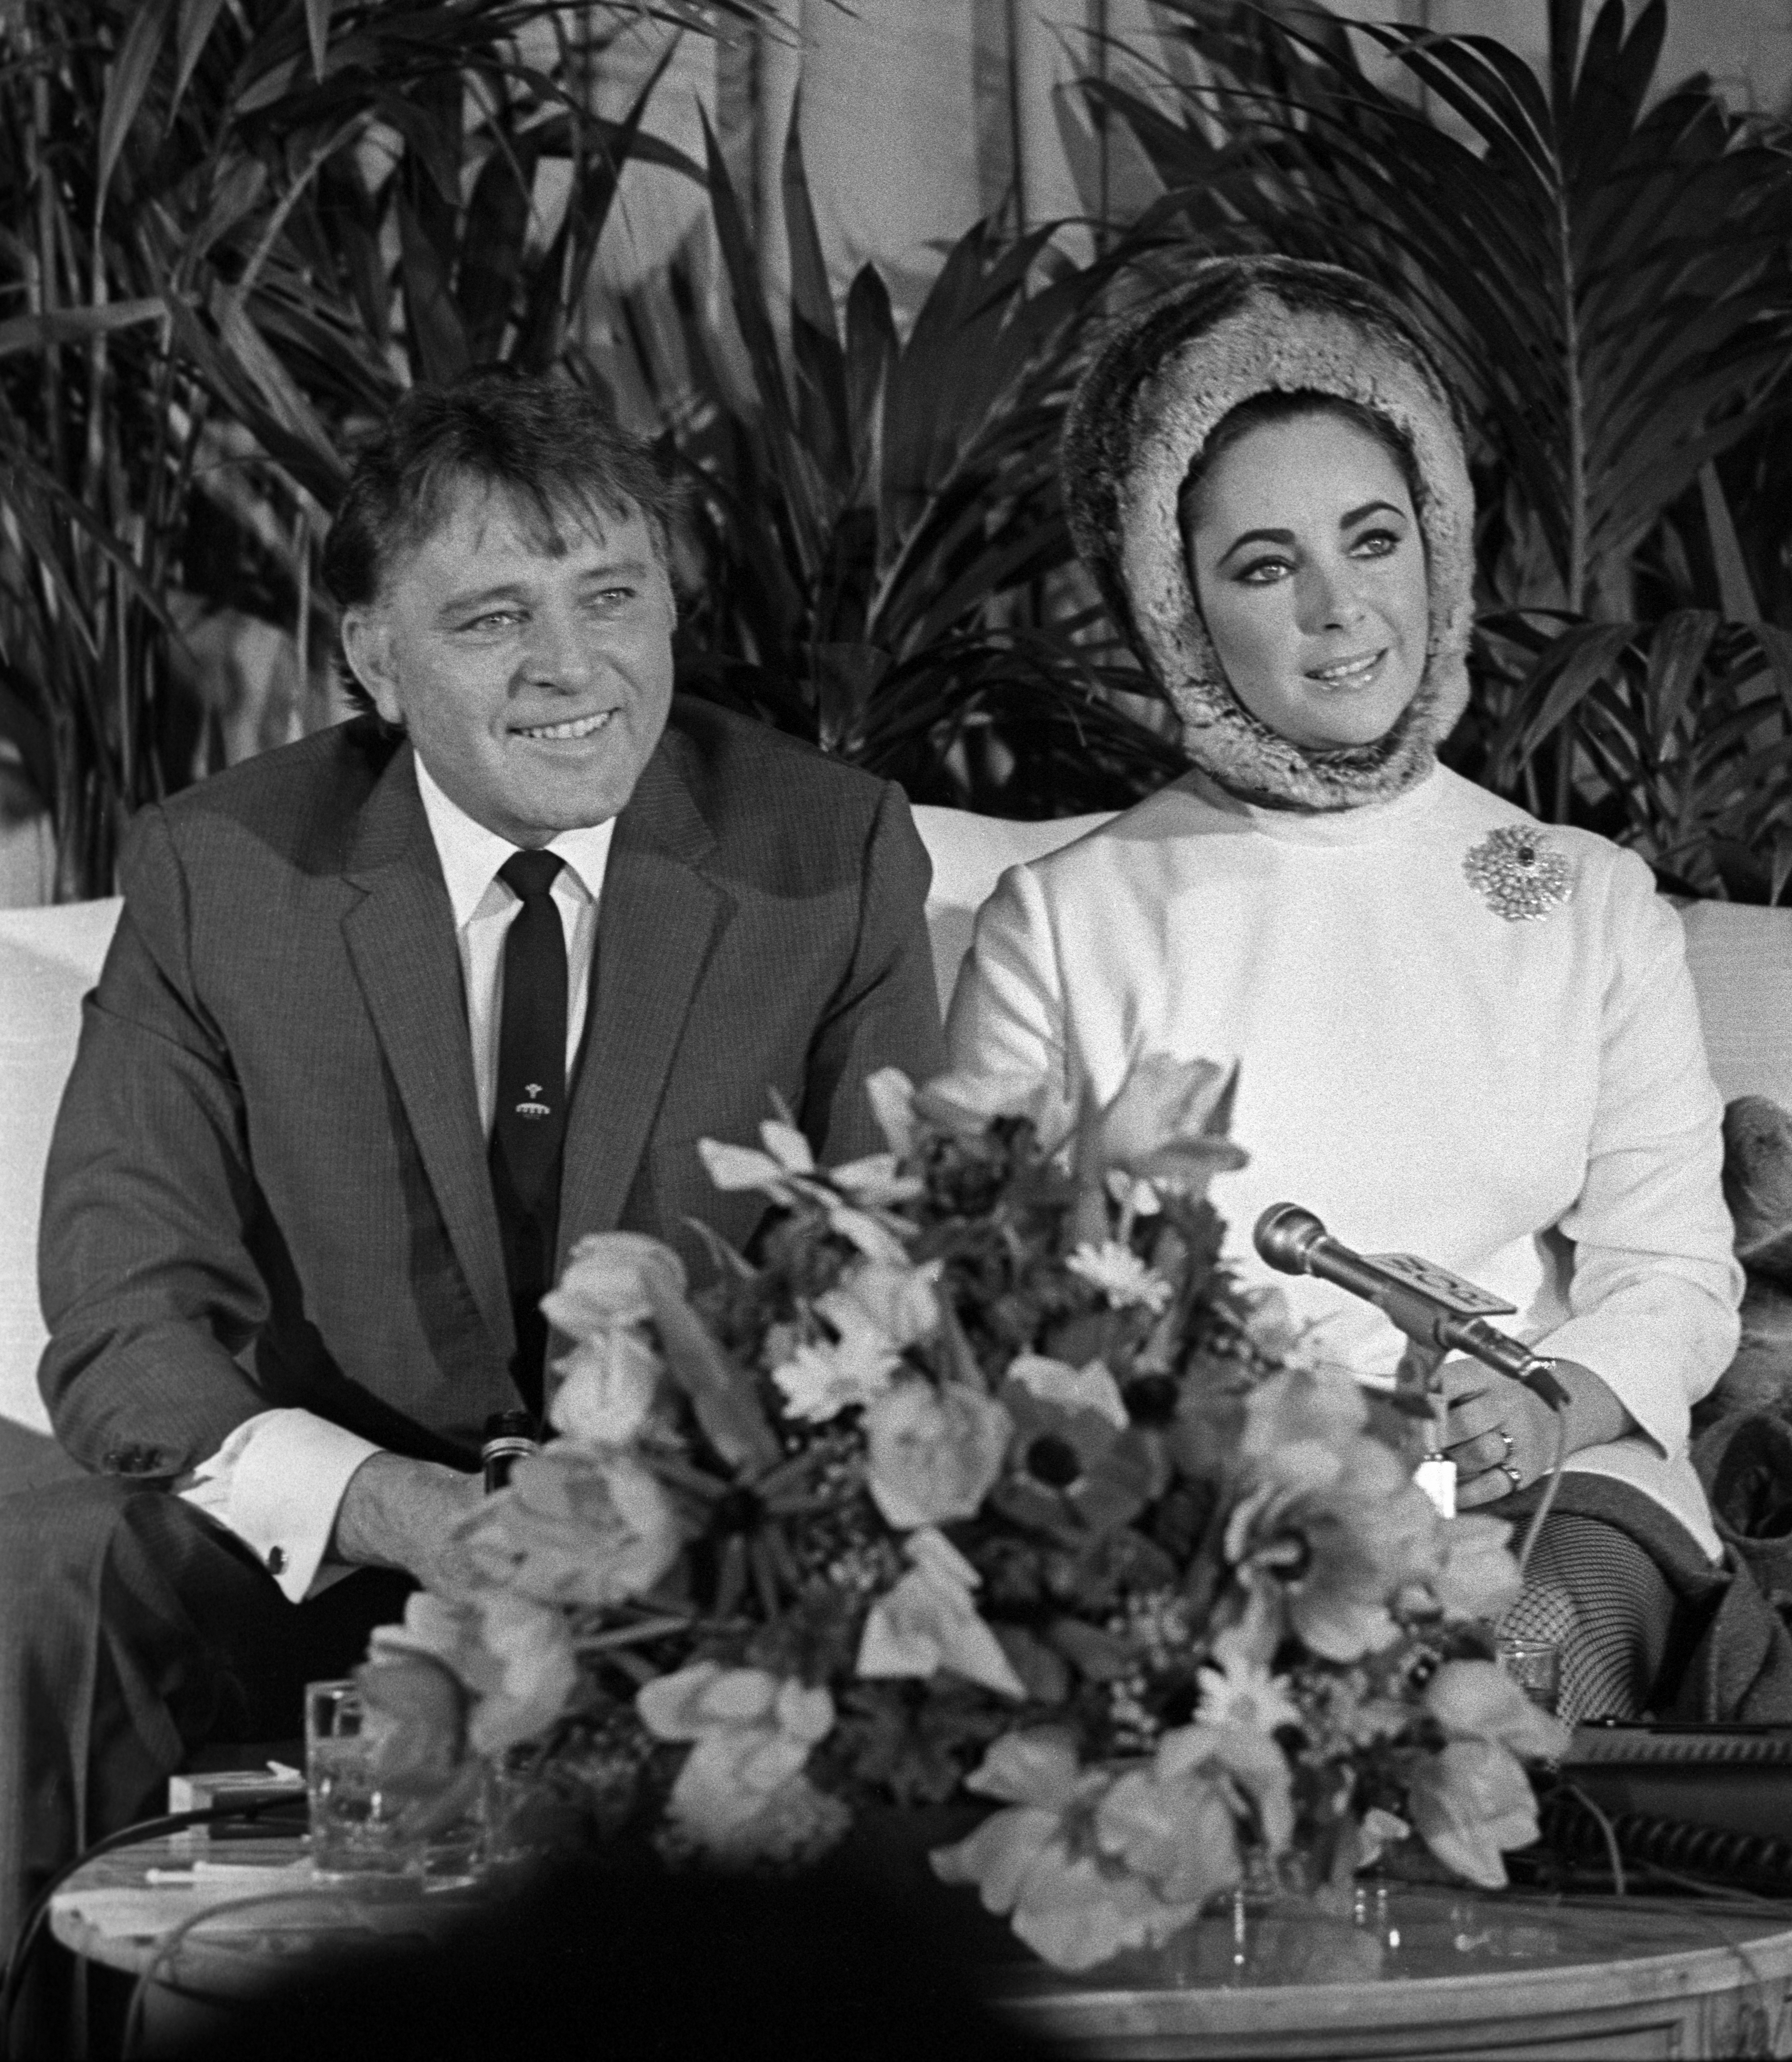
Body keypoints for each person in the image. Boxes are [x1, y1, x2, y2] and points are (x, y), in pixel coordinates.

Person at [0, 369, 943, 1983]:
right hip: (333, 1553)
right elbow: (122, 1311)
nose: (571, 666)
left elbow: (900, 1274)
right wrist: (395, 1510)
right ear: (372, 652)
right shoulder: (223, 867)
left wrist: (687, 1525)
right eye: (492, 617)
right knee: (56, 1574)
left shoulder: (825, 851)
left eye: (611, 597)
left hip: (696, 1558)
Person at [947, 252, 1785, 1725]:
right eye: (1266, 566)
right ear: (1177, 602)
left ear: (1438, 550)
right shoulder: (1063, 920)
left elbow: (1671, 1276)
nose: (1341, 611)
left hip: (1553, 1486)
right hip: (1193, 1506)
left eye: (1372, 539)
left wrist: (1544, 1403)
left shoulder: (1584, 898)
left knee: (1493, 1675)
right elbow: (977, 1291)